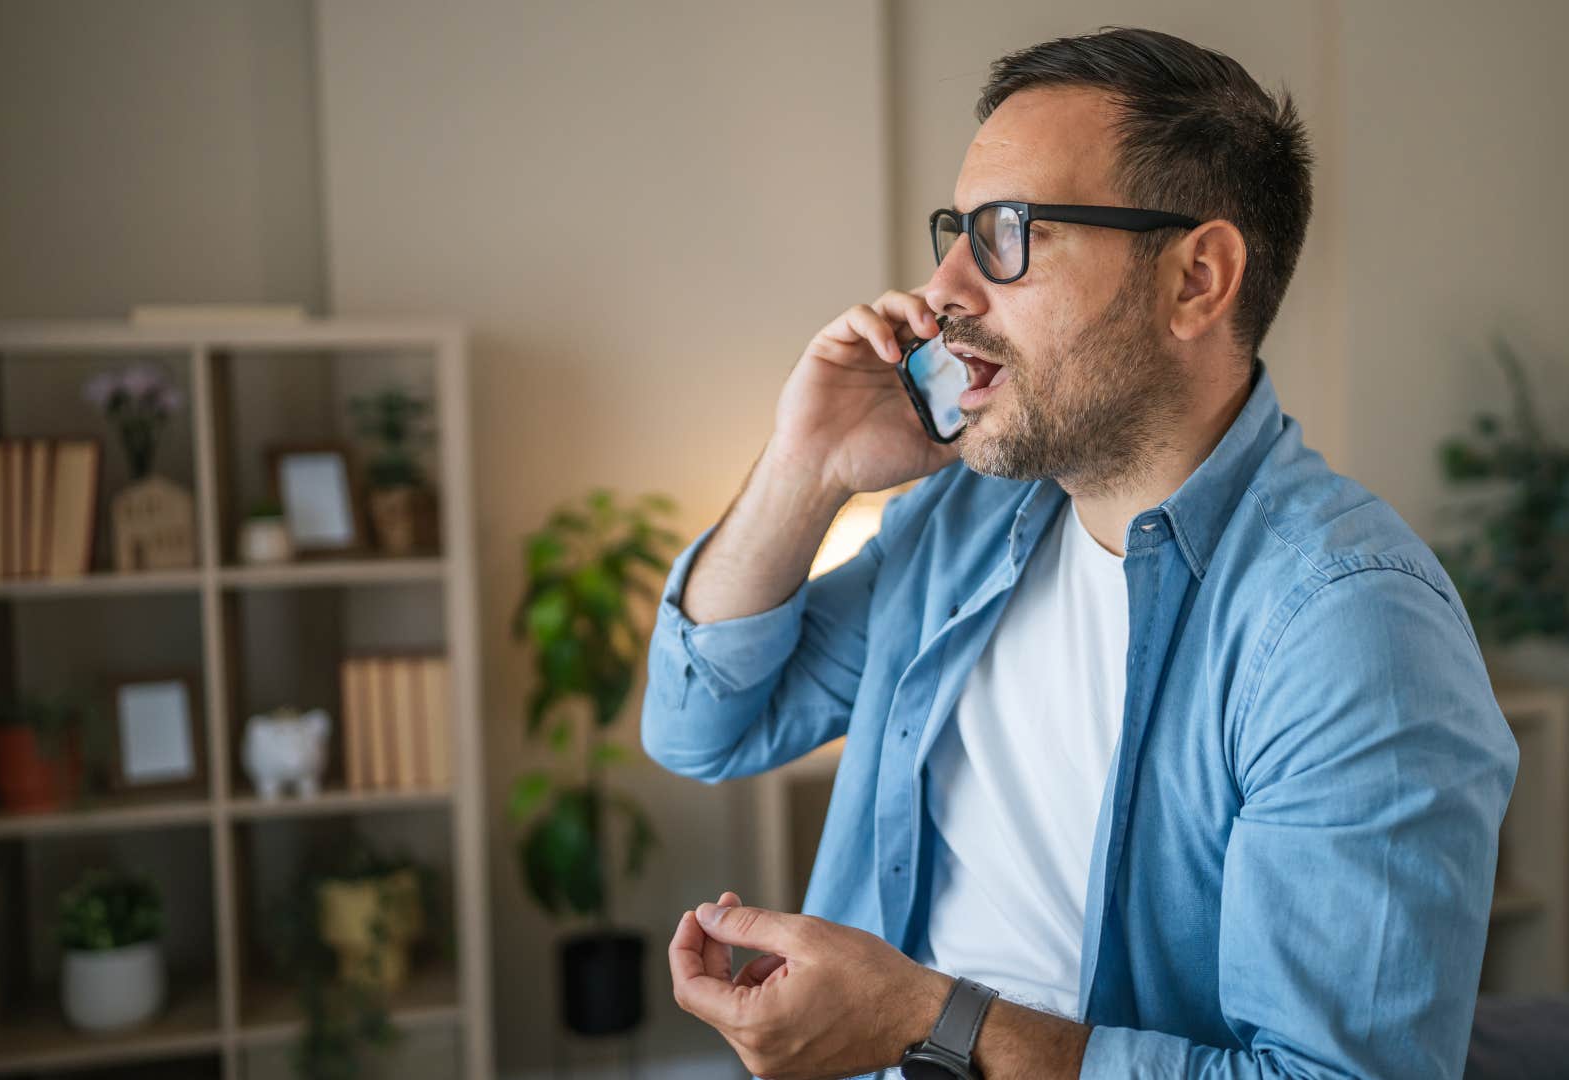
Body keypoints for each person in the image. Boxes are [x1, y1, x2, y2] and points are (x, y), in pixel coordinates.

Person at [643, 25, 1517, 1080]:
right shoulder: (967, 515)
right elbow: (700, 727)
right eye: (952, 231)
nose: (946, 287)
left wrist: (928, 1021)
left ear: (1198, 278)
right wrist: (807, 466)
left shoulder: (1350, 630)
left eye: (1007, 233)